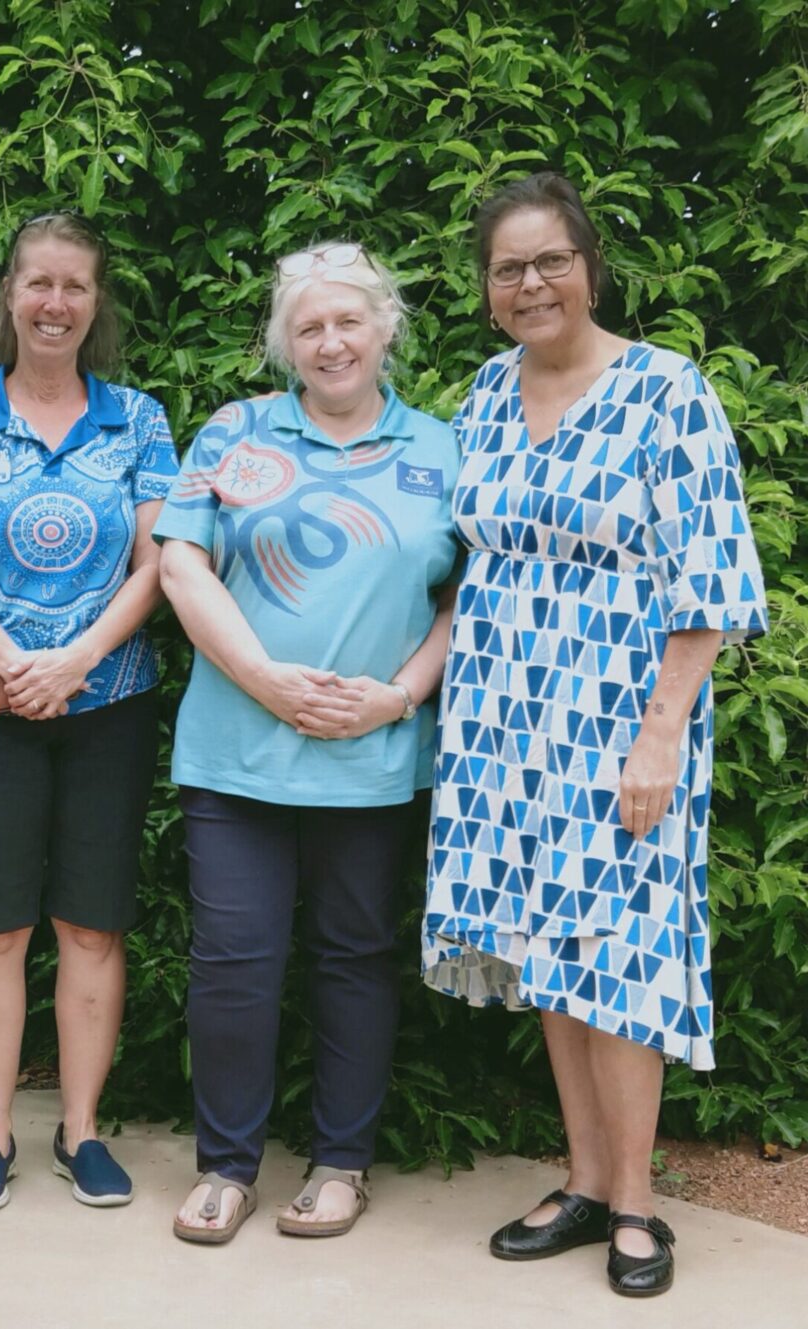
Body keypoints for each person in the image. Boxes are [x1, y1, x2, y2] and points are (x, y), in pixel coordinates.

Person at [422, 172, 767, 1297]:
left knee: (620, 953)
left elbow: (713, 581)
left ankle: (637, 1205)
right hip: (500, 716)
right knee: (547, 948)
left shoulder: (669, 392)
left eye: (550, 260)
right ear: (487, 292)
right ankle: (580, 1180)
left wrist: (663, 731)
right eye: (509, 268)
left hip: (623, 714)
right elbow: (463, 556)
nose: (532, 284)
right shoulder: (481, 392)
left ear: (589, 266)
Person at [155, 243, 460, 1243]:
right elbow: (182, 568)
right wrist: (267, 681)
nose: (330, 342)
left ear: (385, 329)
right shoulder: (236, 433)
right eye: (309, 326)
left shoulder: (444, 450)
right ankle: (226, 1167)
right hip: (237, 753)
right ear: (286, 341)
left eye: (348, 322)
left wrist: (401, 698)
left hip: (371, 758)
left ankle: (341, 1164)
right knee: (233, 964)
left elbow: (467, 597)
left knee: (356, 961)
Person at [0, 213, 174, 1212]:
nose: (55, 303)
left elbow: (159, 562)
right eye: (37, 284)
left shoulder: (139, 420)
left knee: (93, 926)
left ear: (95, 303)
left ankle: (82, 1130)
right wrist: (18, 663)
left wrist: (78, 661)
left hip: (109, 701)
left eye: (75, 286)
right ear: (9, 296)